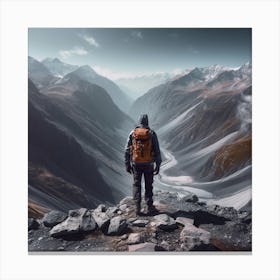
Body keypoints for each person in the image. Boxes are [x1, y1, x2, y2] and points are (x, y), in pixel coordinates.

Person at [125, 114, 162, 215]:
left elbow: (127, 150)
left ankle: (137, 207)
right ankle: (149, 206)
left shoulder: (133, 133)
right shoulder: (152, 133)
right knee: (148, 184)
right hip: (149, 163)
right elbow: (157, 150)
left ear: (139, 121)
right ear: (147, 122)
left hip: (136, 163)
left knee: (137, 184)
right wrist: (158, 165)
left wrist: (127, 164)